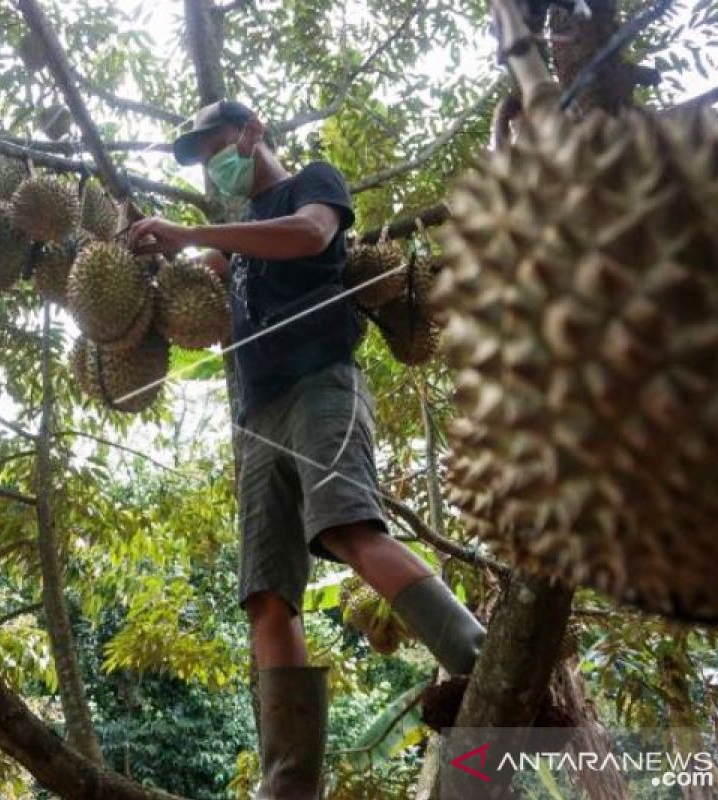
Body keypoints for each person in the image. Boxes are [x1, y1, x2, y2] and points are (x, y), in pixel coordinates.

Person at [127, 99, 487, 799]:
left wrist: (193, 229)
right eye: (201, 158)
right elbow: (193, 298)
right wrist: (153, 253)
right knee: (267, 595)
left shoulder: (311, 186)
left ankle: (478, 656)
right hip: (256, 419)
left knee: (348, 528)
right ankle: (289, 785)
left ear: (253, 131)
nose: (212, 164)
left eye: (216, 146)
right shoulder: (228, 253)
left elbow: (309, 236)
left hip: (322, 382)